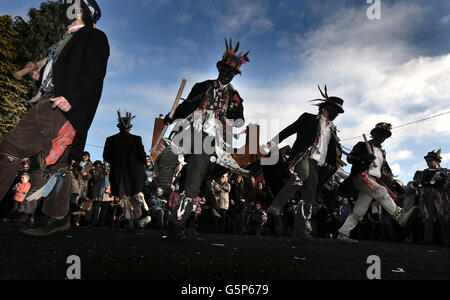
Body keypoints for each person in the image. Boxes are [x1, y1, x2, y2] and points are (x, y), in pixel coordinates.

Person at [0, 0, 109, 236]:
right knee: (23, 151)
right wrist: (39, 75)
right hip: (44, 101)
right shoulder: (62, 42)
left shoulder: (93, 37)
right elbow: (59, 74)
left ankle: (54, 216)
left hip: (62, 105)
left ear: (86, 12)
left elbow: (94, 73)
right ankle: (47, 215)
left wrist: (73, 97)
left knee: (42, 157)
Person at [164, 38, 249, 240]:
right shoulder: (202, 86)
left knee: (194, 179)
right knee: (171, 158)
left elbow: (240, 120)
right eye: (226, 70)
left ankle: (177, 223)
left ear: (235, 75)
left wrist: (228, 119)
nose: (228, 74)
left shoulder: (235, 98)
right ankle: (168, 186)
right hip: (191, 130)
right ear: (219, 68)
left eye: (233, 72)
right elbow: (186, 107)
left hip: (211, 139)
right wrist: (171, 116)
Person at [266, 85, 345, 240]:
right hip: (303, 156)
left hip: (317, 164)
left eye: (338, 113)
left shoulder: (332, 130)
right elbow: (290, 129)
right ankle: (276, 206)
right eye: (334, 110)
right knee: (303, 173)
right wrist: (274, 141)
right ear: (324, 107)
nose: (335, 114)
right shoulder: (308, 118)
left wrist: (335, 155)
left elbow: (330, 150)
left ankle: (300, 230)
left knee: (309, 196)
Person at [337, 123, 419, 244]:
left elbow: (385, 170)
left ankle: (343, 234)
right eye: (380, 134)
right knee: (382, 191)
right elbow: (350, 159)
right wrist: (365, 157)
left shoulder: (382, 152)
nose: (382, 137)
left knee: (360, 210)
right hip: (361, 176)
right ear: (374, 134)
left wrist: (394, 182)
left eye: (385, 136)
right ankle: (400, 216)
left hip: (374, 181)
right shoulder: (362, 145)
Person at [103, 111, 147, 232]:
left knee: (124, 197)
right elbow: (143, 157)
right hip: (134, 173)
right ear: (129, 127)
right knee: (134, 195)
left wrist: (117, 161)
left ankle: (129, 221)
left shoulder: (110, 140)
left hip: (119, 173)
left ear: (119, 127)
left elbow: (106, 156)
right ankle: (137, 219)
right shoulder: (136, 139)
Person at [420, 150, 449, 245]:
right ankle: (428, 239)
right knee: (428, 217)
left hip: (441, 195)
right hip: (428, 194)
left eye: (430, 160)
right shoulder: (425, 171)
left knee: (443, 216)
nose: (428, 162)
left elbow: (447, 184)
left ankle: (446, 240)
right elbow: (423, 182)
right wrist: (432, 182)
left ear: (437, 161)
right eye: (427, 160)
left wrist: (443, 179)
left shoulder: (445, 171)